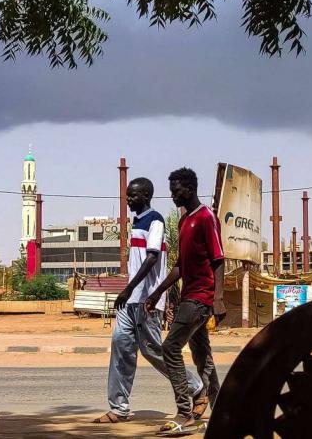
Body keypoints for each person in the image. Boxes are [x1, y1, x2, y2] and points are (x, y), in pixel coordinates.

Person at [94, 177, 203, 424]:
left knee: (153, 351)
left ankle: (195, 387)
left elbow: (152, 258)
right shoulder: (136, 222)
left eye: (132, 196)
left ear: (145, 195)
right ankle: (119, 407)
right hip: (130, 300)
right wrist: (128, 291)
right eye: (127, 196)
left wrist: (129, 289)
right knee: (121, 348)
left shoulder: (155, 220)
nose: (128, 200)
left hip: (147, 300)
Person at [145, 167, 226, 433]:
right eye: (171, 191)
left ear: (190, 189)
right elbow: (180, 266)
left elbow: (218, 259)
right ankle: (222, 413)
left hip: (201, 297)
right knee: (202, 357)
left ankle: (185, 411)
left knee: (169, 348)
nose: (172, 196)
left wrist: (219, 298)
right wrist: (158, 292)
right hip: (189, 296)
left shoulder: (206, 217)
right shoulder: (183, 221)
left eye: (176, 190)